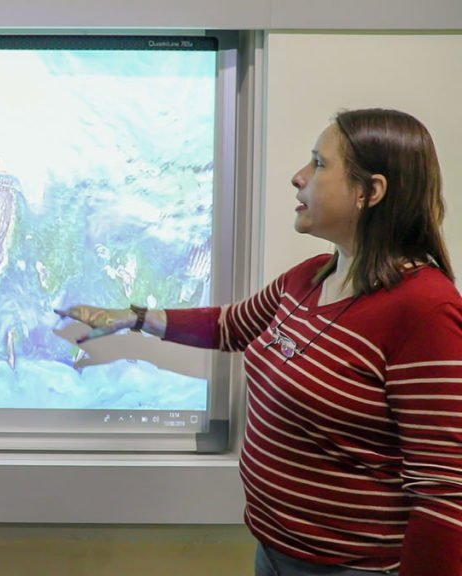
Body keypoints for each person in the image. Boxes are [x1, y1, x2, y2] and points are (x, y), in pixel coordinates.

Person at [56, 108, 462, 575]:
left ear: (370, 192)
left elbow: (444, 491)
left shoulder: (425, 309)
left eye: (319, 164)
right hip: (273, 552)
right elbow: (230, 325)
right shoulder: (310, 278)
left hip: (350, 568)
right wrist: (133, 318)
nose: (299, 177)